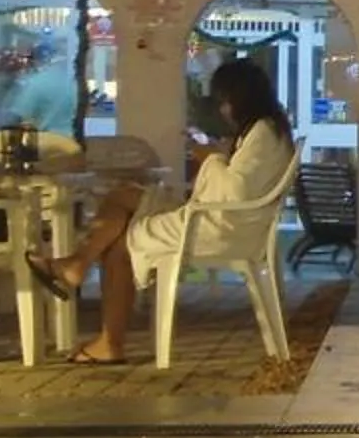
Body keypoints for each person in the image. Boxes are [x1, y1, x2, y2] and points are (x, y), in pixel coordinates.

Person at [28, 57, 295, 364]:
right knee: (124, 195)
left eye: (224, 101)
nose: (223, 110)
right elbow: (240, 184)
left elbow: (236, 190)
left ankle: (93, 303)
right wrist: (217, 157)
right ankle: (81, 270)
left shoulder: (262, 133)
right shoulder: (268, 130)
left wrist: (211, 158)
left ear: (239, 98)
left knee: (119, 242)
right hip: (220, 219)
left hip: (219, 228)